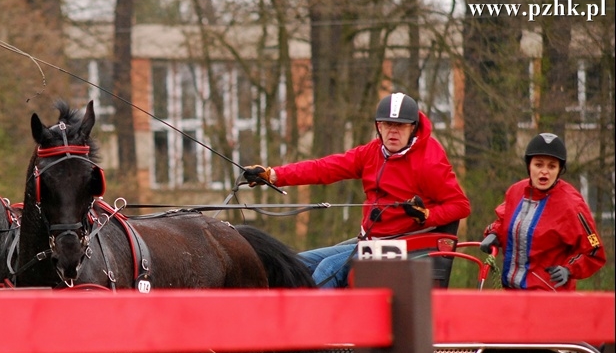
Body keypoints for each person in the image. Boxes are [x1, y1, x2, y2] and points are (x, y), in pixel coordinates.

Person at [244, 92, 471, 288]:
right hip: (368, 241)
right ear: (378, 126)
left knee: (327, 268)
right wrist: (274, 176)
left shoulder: (429, 162)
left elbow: (460, 206)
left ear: (413, 128)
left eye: (400, 126)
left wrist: (428, 216)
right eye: (387, 125)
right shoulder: (372, 152)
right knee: (296, 263)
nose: (393, 132)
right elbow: (325, 168)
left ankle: (316, 329)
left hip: (401, 245)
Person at [480, 132, 606, 291]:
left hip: (549, 297)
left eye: (552, 166)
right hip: (511, 291)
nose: (544, 171)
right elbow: (504, 221)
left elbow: (594, 249)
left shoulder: (572, 204)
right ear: (529, 166)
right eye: (539, 165)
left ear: (560, 169)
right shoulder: (516, 191)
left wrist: (569, 269)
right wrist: (493, 233)